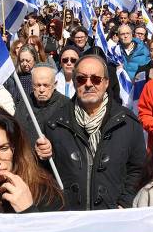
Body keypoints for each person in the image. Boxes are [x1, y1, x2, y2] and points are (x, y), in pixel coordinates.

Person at [35, 55, 146, 210]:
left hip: (112, 218)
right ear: (74, 83)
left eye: (95, 79)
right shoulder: (55, 123)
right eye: (81, 79)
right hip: (71, 220)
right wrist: (42, 157)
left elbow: (138, 169)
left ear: (106, 83)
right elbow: (45, 176)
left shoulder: (128, 122)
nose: (88, 84)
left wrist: (124, 202)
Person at [13, 64, 68, 144]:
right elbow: (16, 131)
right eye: (38, 85)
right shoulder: (25, 102)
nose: (41, 90)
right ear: (32, 84)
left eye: (46, 85)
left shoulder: (65, 105)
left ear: (55, 85)